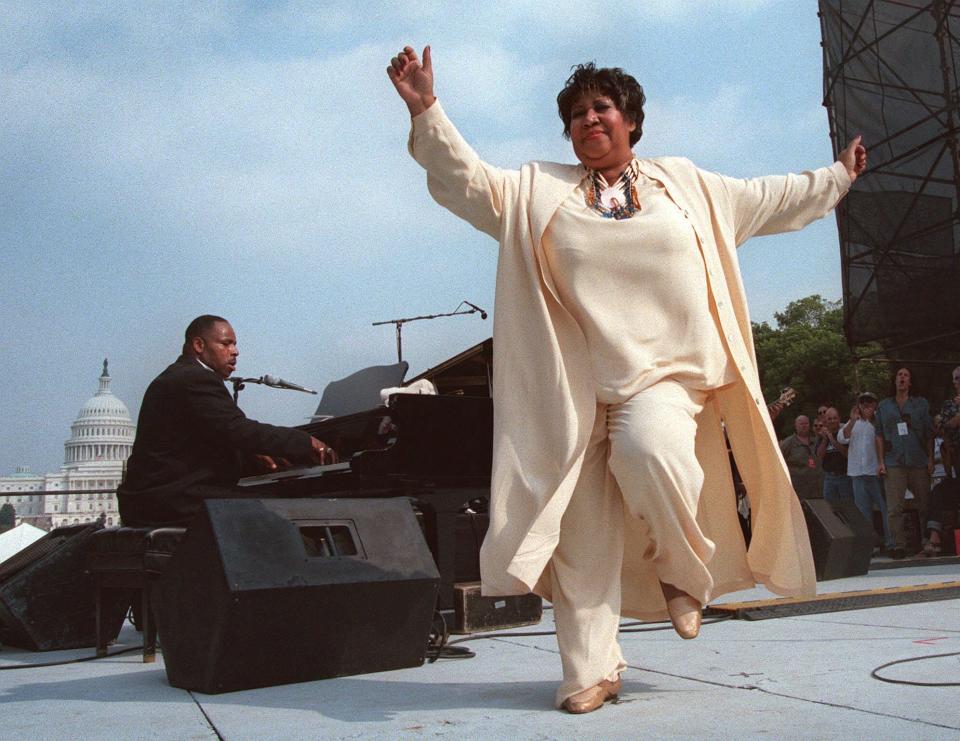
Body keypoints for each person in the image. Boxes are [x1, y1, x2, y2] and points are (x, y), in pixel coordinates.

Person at [388, 46, 866, 713]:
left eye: (601, 108)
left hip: (663, 380)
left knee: (653, 452)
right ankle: (590, 670)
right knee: (582, 540)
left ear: (632, 120)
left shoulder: (690, 187)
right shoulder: (536, 192)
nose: (589, 120)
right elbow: (465, 180)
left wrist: (837, 176)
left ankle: (681, 567)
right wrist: (427, 110)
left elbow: (774, 197)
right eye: (577, 113)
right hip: (572, 394)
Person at [118, 315, 336, 527]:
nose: (235, 351)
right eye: (226, 344)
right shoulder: (195, 378)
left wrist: (248, 451)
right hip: (173, 500)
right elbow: (237, 429)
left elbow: (204, 437)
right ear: (198, 345)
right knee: (290, 509)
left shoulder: (176, 375)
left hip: (154, 498)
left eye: (235, 344)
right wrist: (305, 442)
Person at [874, 367, 933, 559]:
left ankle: (927, 541)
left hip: (918, 461)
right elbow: (879, 435)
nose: (902, 378)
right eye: (899, 374)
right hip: (894, 461)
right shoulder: (884, 406)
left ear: (910, 382)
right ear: (895, 380)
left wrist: (931, 459)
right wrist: (881, 461)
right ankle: (898, 545)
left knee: (925, 504)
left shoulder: (921, 404)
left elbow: (929, 435)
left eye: (906, 375)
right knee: (894, 507)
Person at [837, 392, 893, 553]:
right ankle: (870, 546)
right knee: (863, 512)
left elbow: (884, 438)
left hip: (875, 472)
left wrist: (872, 418)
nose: (866, 405)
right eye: (863, 402)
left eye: (869, 402)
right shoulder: (853, 422)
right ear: (858, 404)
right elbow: (842, 438)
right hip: (857, 473)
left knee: (885, 509)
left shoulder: (878, 421)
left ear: (875, 404)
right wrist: (853, 420)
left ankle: (891, 542)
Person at [779, 415, 821, 500]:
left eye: (806, 423)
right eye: (801, 424)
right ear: (796, 426)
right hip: (798, 490)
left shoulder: (817, 441)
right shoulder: (788, 443)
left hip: (817, 490)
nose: (804, 426)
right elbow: (778, 461)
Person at [817, 407, 852, 503]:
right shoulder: (822, 435)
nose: (832, 421)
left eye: (834, 418)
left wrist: (832, 439)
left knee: (848, 506)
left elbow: (847, 453)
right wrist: (825, 439)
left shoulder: (845, 433)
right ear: (825, 421)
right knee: (829, 507)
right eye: (829, 419)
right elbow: (819, 456)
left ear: (839, 419)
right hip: (829, 478)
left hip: (845, 476)